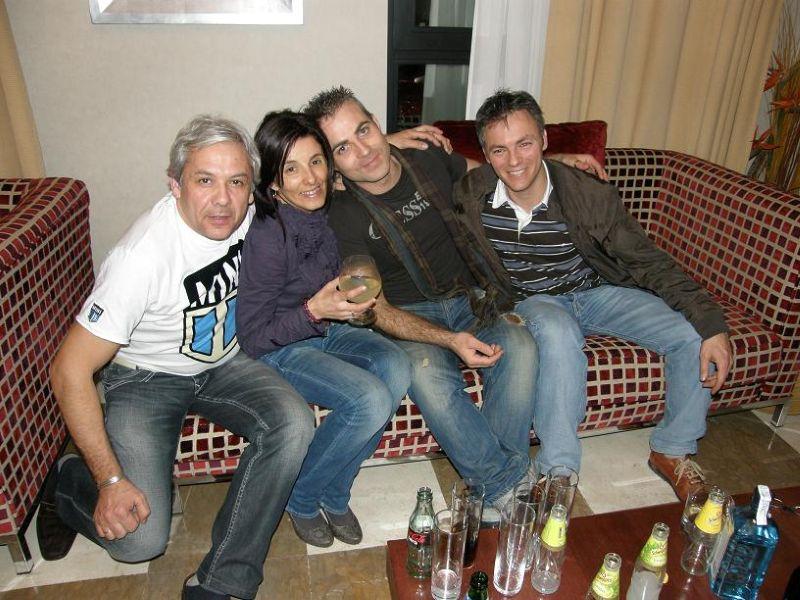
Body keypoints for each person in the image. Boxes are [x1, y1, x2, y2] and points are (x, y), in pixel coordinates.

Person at [42, 115, 315, 600]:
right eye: (204, 181)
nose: (223, 200)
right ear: (175, 184)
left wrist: (387, 145)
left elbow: (308, 164)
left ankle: (223, 580)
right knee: (138, 542)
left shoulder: (254, 214)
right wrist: (110, 479)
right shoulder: (140, 258)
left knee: (293, 423)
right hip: (146, 377)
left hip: (226, 363)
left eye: (237, 182)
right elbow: (69, 370)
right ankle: (67, 482)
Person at [454, 89, 733, 501]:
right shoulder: (470, 195)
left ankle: (673, 450)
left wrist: (711, 324)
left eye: (524, 144)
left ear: (544, 140)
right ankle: (559, 472)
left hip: (597, 291)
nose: (513, 161)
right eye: (500, 150)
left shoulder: (587, 193)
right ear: (486, 155)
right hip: (536, 301)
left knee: (691, 334)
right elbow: (404, 173)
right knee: (556, 331)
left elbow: (647, 260)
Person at [301, 86, 543, 519]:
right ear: (333, 164)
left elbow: (496, 175)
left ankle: (498, 486)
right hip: (409, 318)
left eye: (364, 131)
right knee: (427, 375)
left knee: (521, 347)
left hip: (473, 298)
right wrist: (449, 340)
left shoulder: (427, 157)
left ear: (378, 124)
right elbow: (374, 308)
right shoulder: (340, 214)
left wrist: (557, 167)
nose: (363, 151)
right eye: (343, 148)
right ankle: (506, 484)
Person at [236, 110, 411, 548]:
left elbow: (367, 158)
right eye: (291, 169)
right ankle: (301, 496)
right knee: (368, 398)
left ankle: (334, 492)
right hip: (280, 347)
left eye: (316, 161)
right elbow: (253, 338)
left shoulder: (323, 202)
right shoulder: (268, 235)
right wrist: (314, 310)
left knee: (396, 365)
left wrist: (401, 138)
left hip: (327, 327)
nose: (310, 178)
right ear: (273, 182)